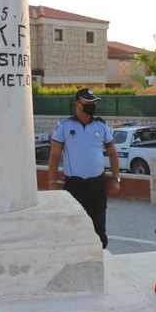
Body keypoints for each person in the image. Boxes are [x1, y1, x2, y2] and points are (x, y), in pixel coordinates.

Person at [48, 87, 120, 248]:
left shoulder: (100, 126)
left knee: (99, 226)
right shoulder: (64, 125)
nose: (92, 105)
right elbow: (54, 156)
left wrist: (116, 179)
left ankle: (101, 258)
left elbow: (113, 153)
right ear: (78, 104)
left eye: (93, 102)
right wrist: (51, 182)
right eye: (88, 102)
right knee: (73, 225)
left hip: (98, 185)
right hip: (75, 186)